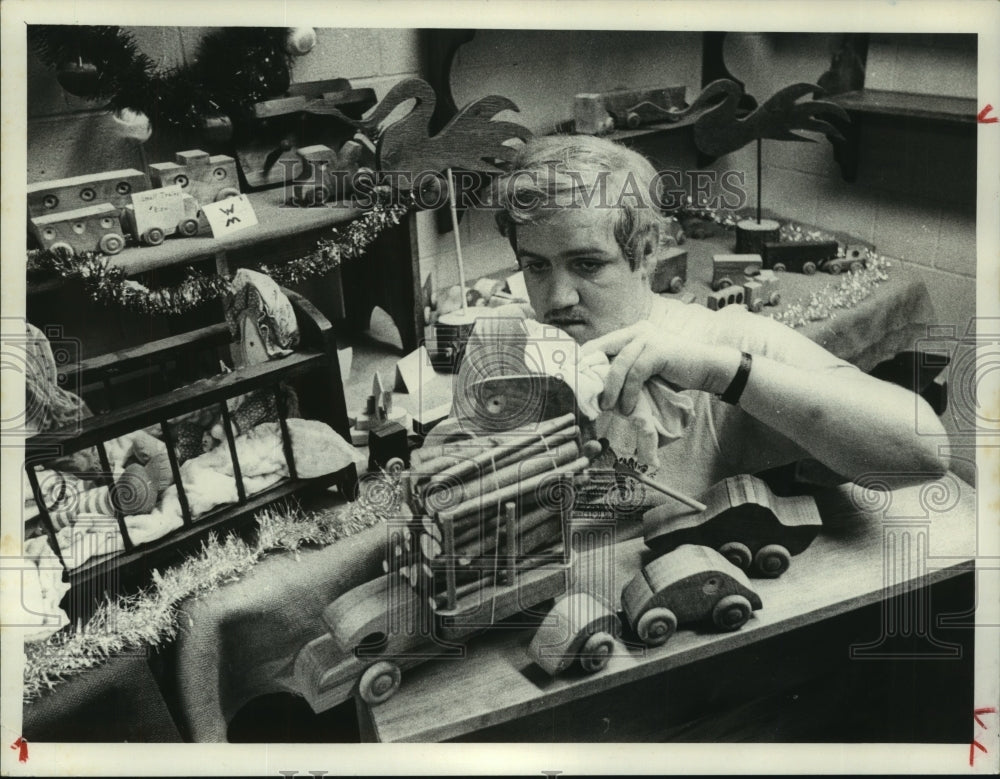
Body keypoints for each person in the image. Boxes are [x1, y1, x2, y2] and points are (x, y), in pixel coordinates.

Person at [489, 134, 948, 496]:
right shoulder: (520, 345)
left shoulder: (722, 340)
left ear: (647, 253)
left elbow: (925, 451)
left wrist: (720, 372)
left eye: (587, 264)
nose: (558, 296)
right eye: (536, 265)